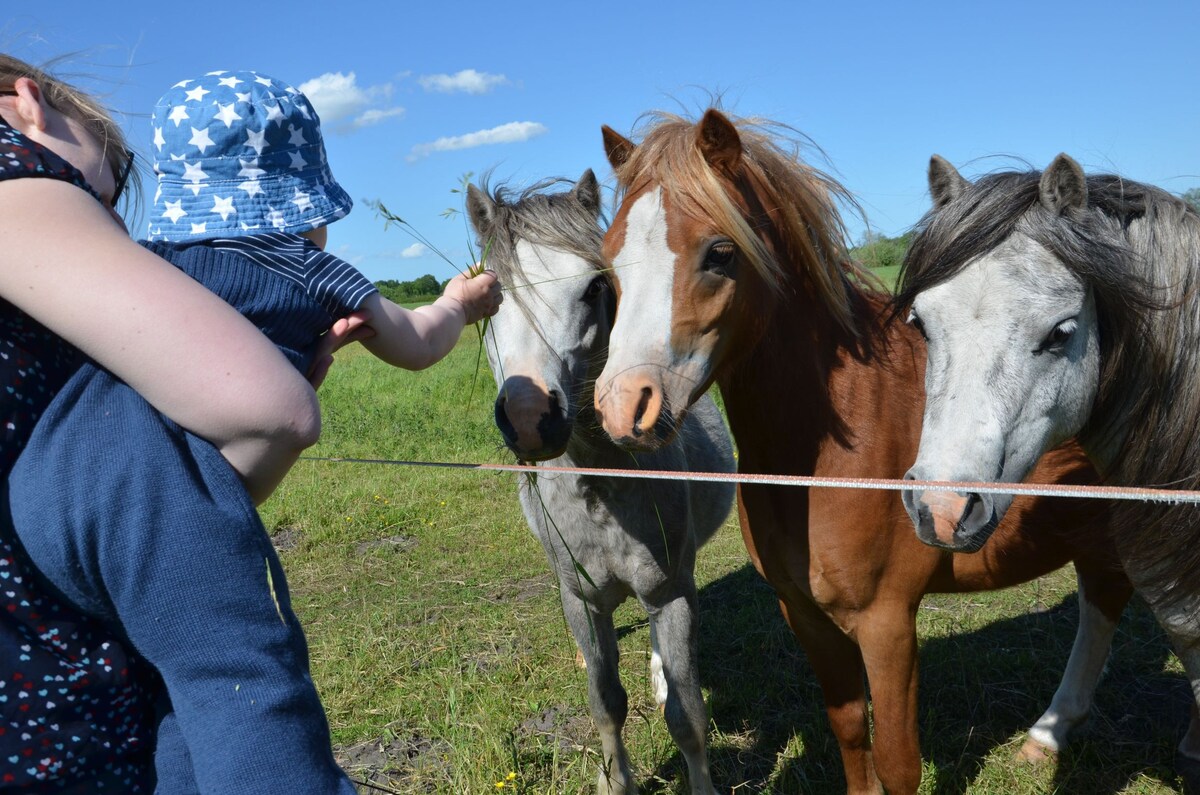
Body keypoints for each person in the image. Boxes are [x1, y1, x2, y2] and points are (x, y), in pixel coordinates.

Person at [4, 67, 501, 792]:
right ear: (306, 202)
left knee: (171, 674)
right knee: (240, 677)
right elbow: (419, 342)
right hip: (155, 497)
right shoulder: (314, 267)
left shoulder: (147, 263)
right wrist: (458, 302)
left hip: (40, 499)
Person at [0, 54, 345, 792]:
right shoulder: (18, 171)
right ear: (32, 105)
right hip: (54, 709)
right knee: (242, 676)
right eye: (112, 176)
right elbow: (269, 407)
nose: (112, 208)